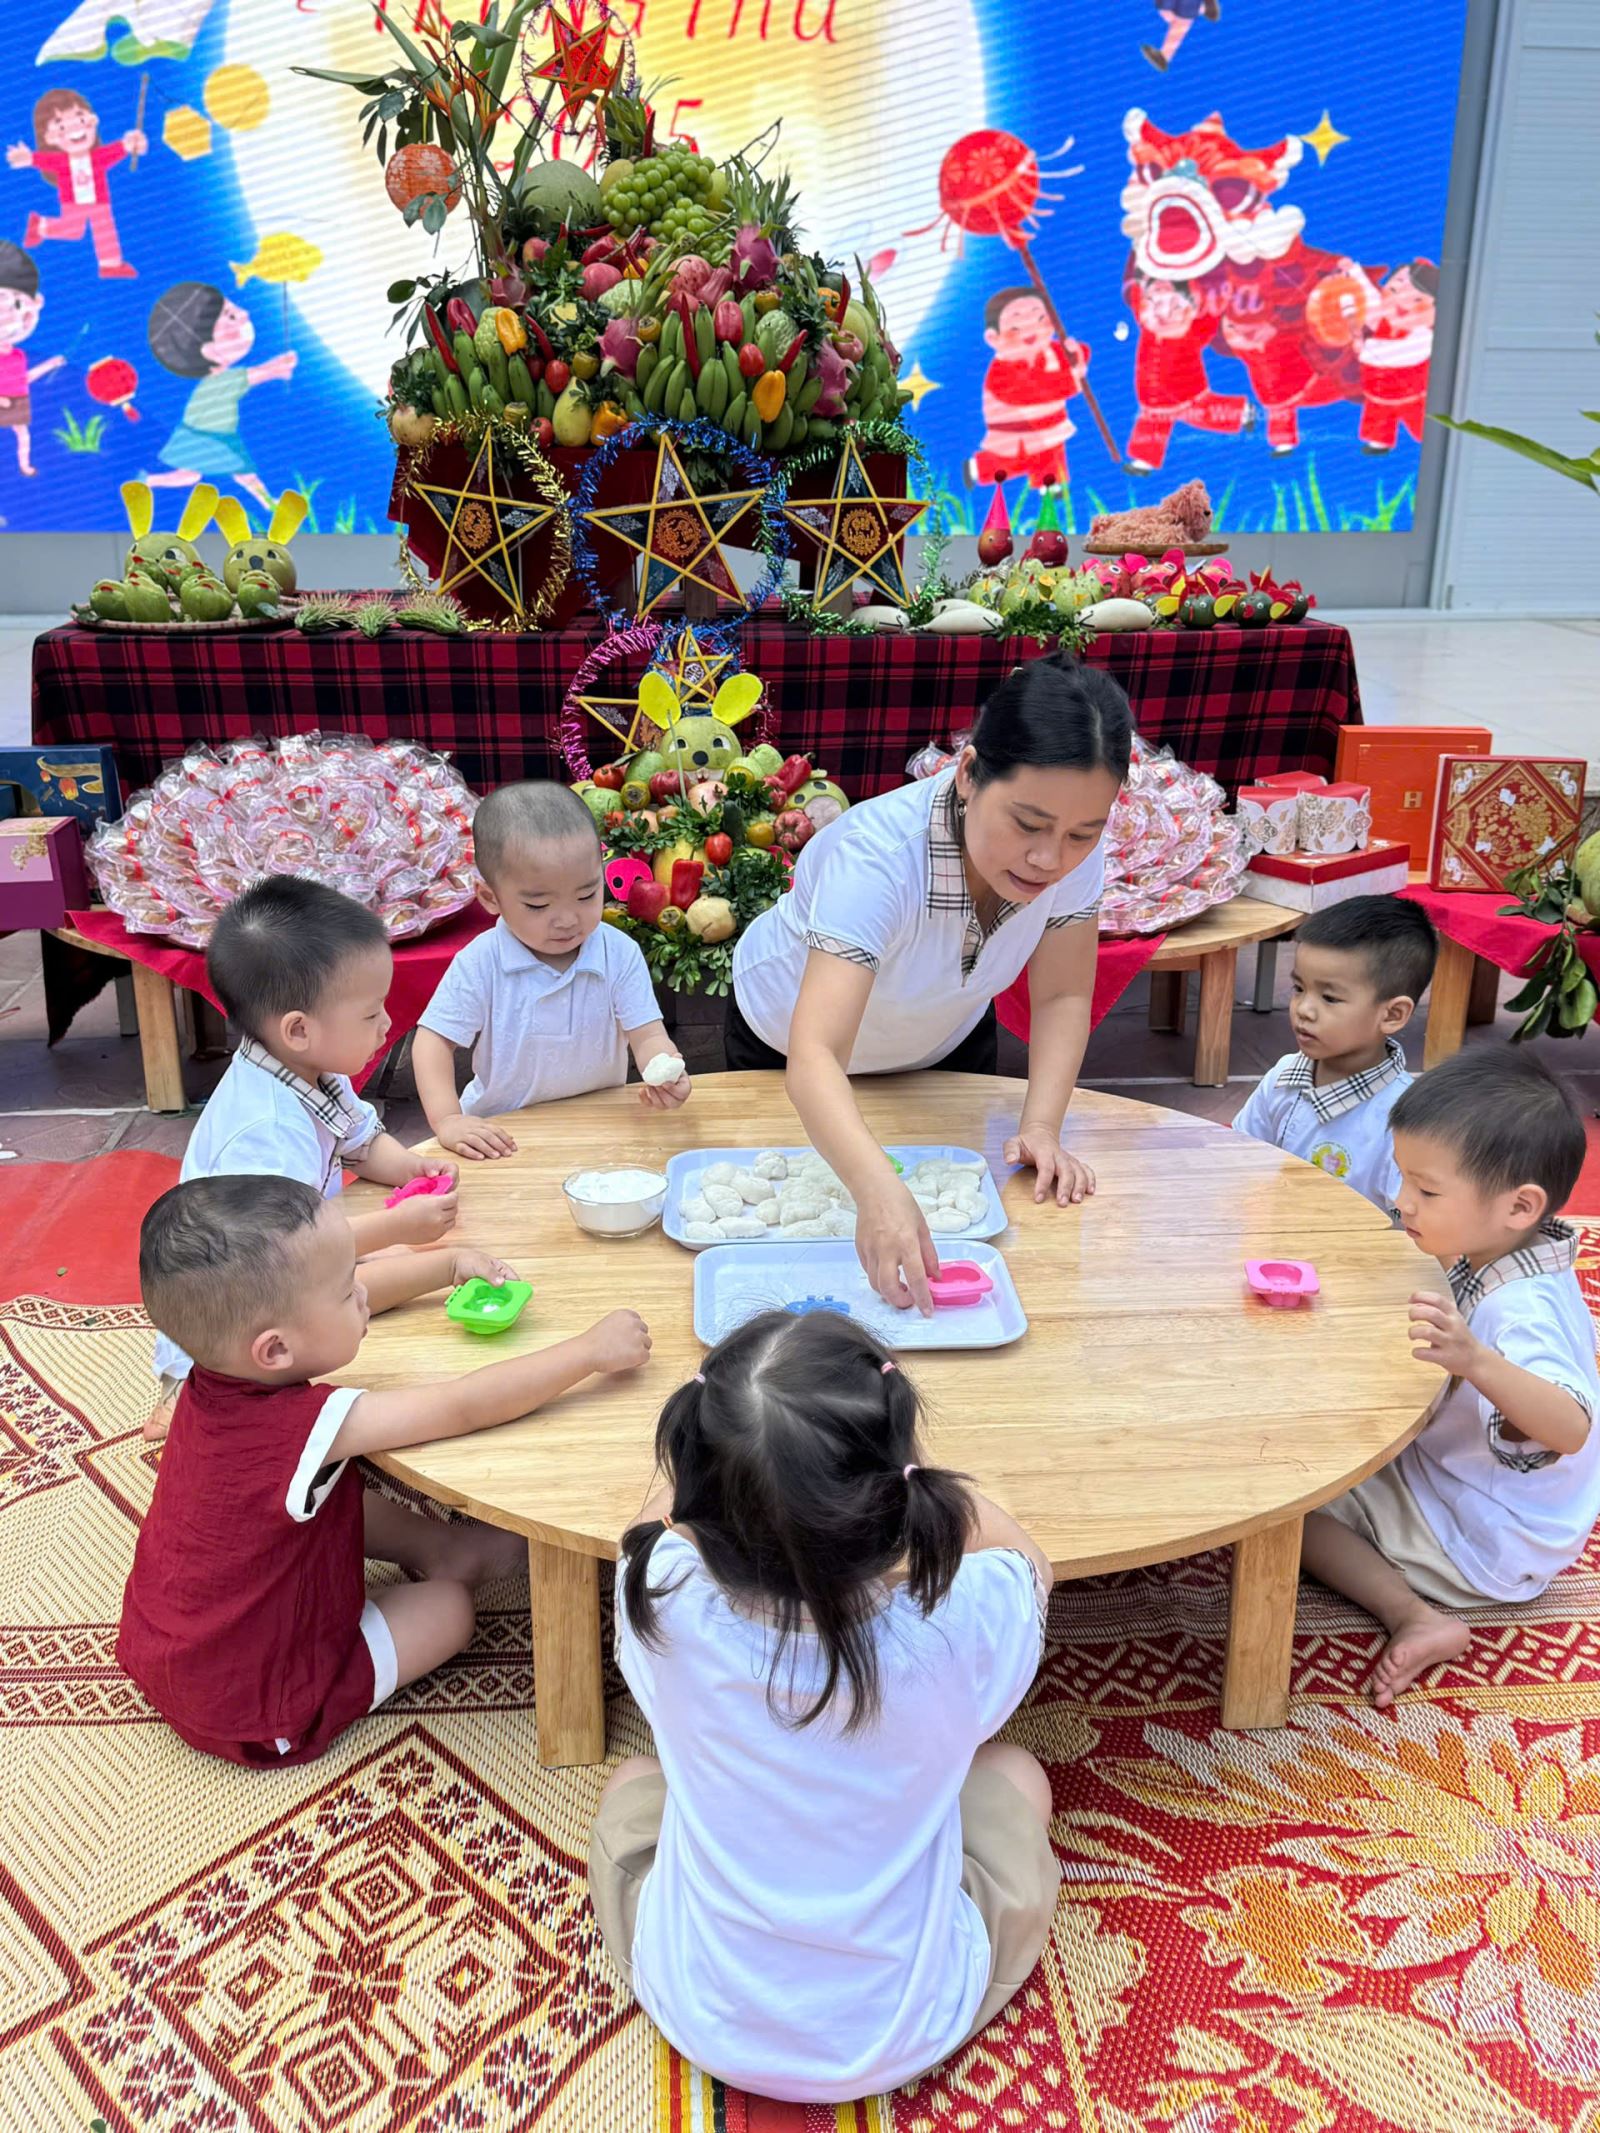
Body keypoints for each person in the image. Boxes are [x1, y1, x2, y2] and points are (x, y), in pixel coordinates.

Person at [588, 1309, 1059, 2103]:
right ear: (896, 1497)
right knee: (1017, 1774)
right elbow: (1030, 1565)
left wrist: (707, 1465)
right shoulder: (956, 1627)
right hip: (903, 2027)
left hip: (702, 2010)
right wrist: (932, 1489)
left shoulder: (662, 1599)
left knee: (633, 1780)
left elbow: (646, 1528)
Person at [119, 1174, 651, 1766]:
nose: (364, 1293)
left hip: (169, 1647)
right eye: (348, 1290)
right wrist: (586, 1351)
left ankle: (449, 1546)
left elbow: (339, 1294)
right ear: (275, 1350)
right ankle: (449, 1563)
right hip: (256, 1704)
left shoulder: (209, 1380)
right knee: (450, 1610)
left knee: (338, 1489)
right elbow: (460, 1406)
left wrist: (447, 1265)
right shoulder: (308, 1427)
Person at [729, 651, 1130, 1312]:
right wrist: (876, 1189)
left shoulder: (1071, 855)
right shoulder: (877, 857)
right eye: (1028, 824)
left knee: (967, 1229)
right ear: (968, 773)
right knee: (786, 1241)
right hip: (786, 1050)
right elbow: (816, 1053)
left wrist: (1042, 1125)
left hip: (939, 1042)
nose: (1049, 858)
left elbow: (1063, 993)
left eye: (1082, 834)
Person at [1302, 1050, 1599, 1707]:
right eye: (1403, 1177)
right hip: (1470, 1481)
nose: (1400, 1199)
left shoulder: (1520, 1312)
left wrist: (1476, 1361)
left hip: (1488, 1532)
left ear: (1520, 1206)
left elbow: (1572, 1427)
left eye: (1426, 1191)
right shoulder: (1506, 1250)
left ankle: (1415, 1615)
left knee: (1292, 1514)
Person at [146, 876, 463, 1433]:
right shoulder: (269, 1129)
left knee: (382, 1270)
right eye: (371, 1014)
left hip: (295, 1261)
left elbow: (361, 1142)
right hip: (242, 1312)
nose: (388, 1024)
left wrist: (410, 1168)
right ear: (298, 1029)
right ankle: (187, 1398)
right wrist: (398, 1227)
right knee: (381, 1285)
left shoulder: (309, 1069)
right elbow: (286, 1258)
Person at [414, 782, 690, 1161]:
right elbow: (433, 1042)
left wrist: (664, 1067)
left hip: (600, 1125)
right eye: (539, 905)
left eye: (586, 895)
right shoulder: (482, 961)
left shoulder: (617, 952)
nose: (567, 920)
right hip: (502, 1135)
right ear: (491, 898)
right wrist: (448, 1119)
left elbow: (647, 1036)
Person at [1232, 895, 1438, 1212]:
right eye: (1299, 988)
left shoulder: (1404, 1123)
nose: (1304, 1009)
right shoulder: (1283, 1077)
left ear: (1392, 1014)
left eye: (1329, 998)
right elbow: (1238, 1155)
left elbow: (1410, 1227)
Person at [145, 280, 295, 510]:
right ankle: (268, 503)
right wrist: (279, 368)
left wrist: (277, 367)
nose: (245, 314)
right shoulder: (224, 380)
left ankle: (149, 480)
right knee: (243, 473)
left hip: (197, 432)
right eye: (231, 316)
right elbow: (256, 375)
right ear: (209, 351)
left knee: (191, 474)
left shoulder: (214, 381)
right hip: (212, 435)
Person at [8, 87, 144, 279]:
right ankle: (39, 226)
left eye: (80, 119)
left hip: (99, 201)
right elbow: (41, 159)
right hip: (72, 202)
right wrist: (28, 158)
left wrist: (130, 144)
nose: (75, 129)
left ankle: (110, 265)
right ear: (49, 137)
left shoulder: (98, 157)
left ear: (93, 121)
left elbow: (119, 149)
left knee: (105, 230)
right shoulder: (61, 161)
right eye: (61, 126)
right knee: (73, 231)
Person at [963, 287, 1088, 493]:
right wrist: (1073, 379)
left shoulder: (1051, 351)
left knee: (1051, 452)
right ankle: (978, 467)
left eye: (1040, 319)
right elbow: (1035, 390)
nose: (1031, 330)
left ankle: (1050, 485)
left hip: (1050, 423)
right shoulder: (1001, 371)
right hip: (1016, 431)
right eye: (1015, 327)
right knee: (1013, 461)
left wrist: (1075, 353)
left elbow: (1078, 353)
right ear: (993, 338)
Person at [0, 242, 64, 479]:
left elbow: (24, 379)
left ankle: (25, 465)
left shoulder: (18, 355)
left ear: (37, 303)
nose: (7, 320)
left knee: (23, 435)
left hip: (17, 400)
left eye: (16, 305)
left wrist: (50, 365)